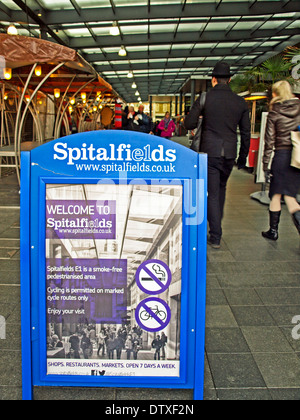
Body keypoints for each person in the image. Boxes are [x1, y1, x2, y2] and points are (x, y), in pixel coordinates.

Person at [185, 61, 251, 249]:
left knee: (212, 193)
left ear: (213, 79)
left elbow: (188, 124)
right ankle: (215, 225)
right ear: (229, 80)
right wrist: (242, 158)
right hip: (229, 153)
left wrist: (200, 117)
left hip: (210, 152)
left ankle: (215, 235)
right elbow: (245, 133)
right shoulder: (240, 102)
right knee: (220, 189)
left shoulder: (205, 98)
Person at [262, 80, 300, 240]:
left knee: (288, 198)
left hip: (282, 156)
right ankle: (272, 230)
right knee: (278, 194)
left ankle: (274, 231)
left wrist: (265, 164)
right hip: (296, 156)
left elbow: (269, 140)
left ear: (276, 93)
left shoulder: (274, 112)